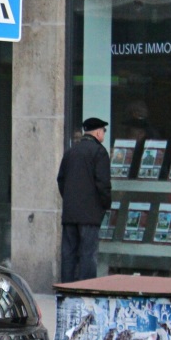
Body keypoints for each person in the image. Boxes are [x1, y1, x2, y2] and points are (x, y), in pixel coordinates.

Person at [57, 117, 112, 284]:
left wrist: (69, 200)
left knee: (69, 253)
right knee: (88, 254)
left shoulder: (71, 151)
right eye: (103, 130)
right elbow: (103, 183)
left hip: (71, 213)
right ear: (97, 132)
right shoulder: (99, 152)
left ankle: (66, 289)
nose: (103, 134)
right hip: (90, 213)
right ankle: (85, 289)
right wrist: (105, 204)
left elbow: (61, 180)